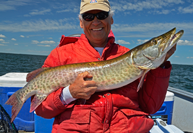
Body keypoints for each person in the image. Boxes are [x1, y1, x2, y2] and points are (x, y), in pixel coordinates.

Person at [34, 0, 175, 132]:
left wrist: (160, 65)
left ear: (111, 19)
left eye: (102, 15)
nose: (96, 21)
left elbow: (151, 107)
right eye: (88, 16)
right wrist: (69, 94)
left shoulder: (126, 55)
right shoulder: (60, 55)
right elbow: (41, 110)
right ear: (81, 23)